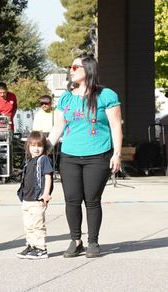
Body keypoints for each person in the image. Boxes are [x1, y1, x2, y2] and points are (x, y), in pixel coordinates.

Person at [47, 53, 123, 258]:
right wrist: (44, 148)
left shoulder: (106, 95)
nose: (71, 70)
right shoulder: (67, 97)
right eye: (70, 68)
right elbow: (58, 126)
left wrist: (117, 154)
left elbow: (116, 126)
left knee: (92, 200)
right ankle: (75, 240)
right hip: (69, 156)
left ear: (88, 70)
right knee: (71, 200)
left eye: (75, 67)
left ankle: (93, 242)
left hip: (98, 155)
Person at [16, 131, 53, 259]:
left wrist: (46, 193)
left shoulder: (44, 160)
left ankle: (41, 248)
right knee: (28, 225)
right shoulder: (29, 161)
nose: (36, 149)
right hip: (27, 199)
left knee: (38, 225)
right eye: (33, 146)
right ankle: (31, 245)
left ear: (44, 147)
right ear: (28, 147)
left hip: (37, 199)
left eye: (39, 146)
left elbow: (48, 177)